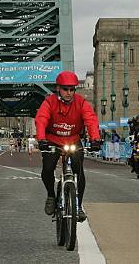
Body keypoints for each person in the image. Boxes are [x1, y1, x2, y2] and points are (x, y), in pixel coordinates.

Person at [35, 71, 101, 222]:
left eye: (72, 89)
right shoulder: (49, 102)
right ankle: (51, 196)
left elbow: (90, 119)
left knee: (79, 171)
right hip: (52, 140)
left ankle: (78, 206)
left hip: (73, 140)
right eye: (65, 89)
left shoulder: (81, 102)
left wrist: (95, 139)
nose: (69, 93)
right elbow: (42, 119)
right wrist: (41, 139)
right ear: (58, 88)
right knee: (47, 168)